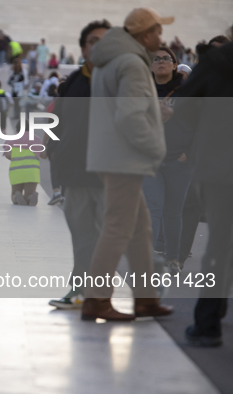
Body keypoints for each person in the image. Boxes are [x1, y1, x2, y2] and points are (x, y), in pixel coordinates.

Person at [83, 8, 175, 320]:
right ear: (143, 35)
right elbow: (131, 116)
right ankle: (96, 299)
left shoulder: (111, 61)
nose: (161, 38)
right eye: (157, 31)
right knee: (118, 227)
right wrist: (155, 148)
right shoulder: (133, 64)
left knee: (140, 230)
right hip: (125, 158)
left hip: (114, 156)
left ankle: (145, 299)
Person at [47, 19, 111, 309]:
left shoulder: (121, 78)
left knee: (107, 238)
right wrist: (57, 162)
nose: (99, 46)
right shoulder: (73, 81)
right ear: (84, 47)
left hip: (109, 173)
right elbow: (58, 125)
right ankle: (81, 291)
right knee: (83, 238)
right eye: (93, 41)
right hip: (76, 173)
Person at [175, 41, 233, 347]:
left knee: (220, 244)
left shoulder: (217, 61)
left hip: (221, 164)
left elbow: (184, 103)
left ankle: (209, 323)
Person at [142, 46, 192, 275]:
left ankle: (173, 257)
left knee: (173, 211)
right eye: (156, 59)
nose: (161, 62)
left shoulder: (187, 91)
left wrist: (190, 152)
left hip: (179, 161)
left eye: (166, 59)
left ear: (174, 65)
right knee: (154, 208)